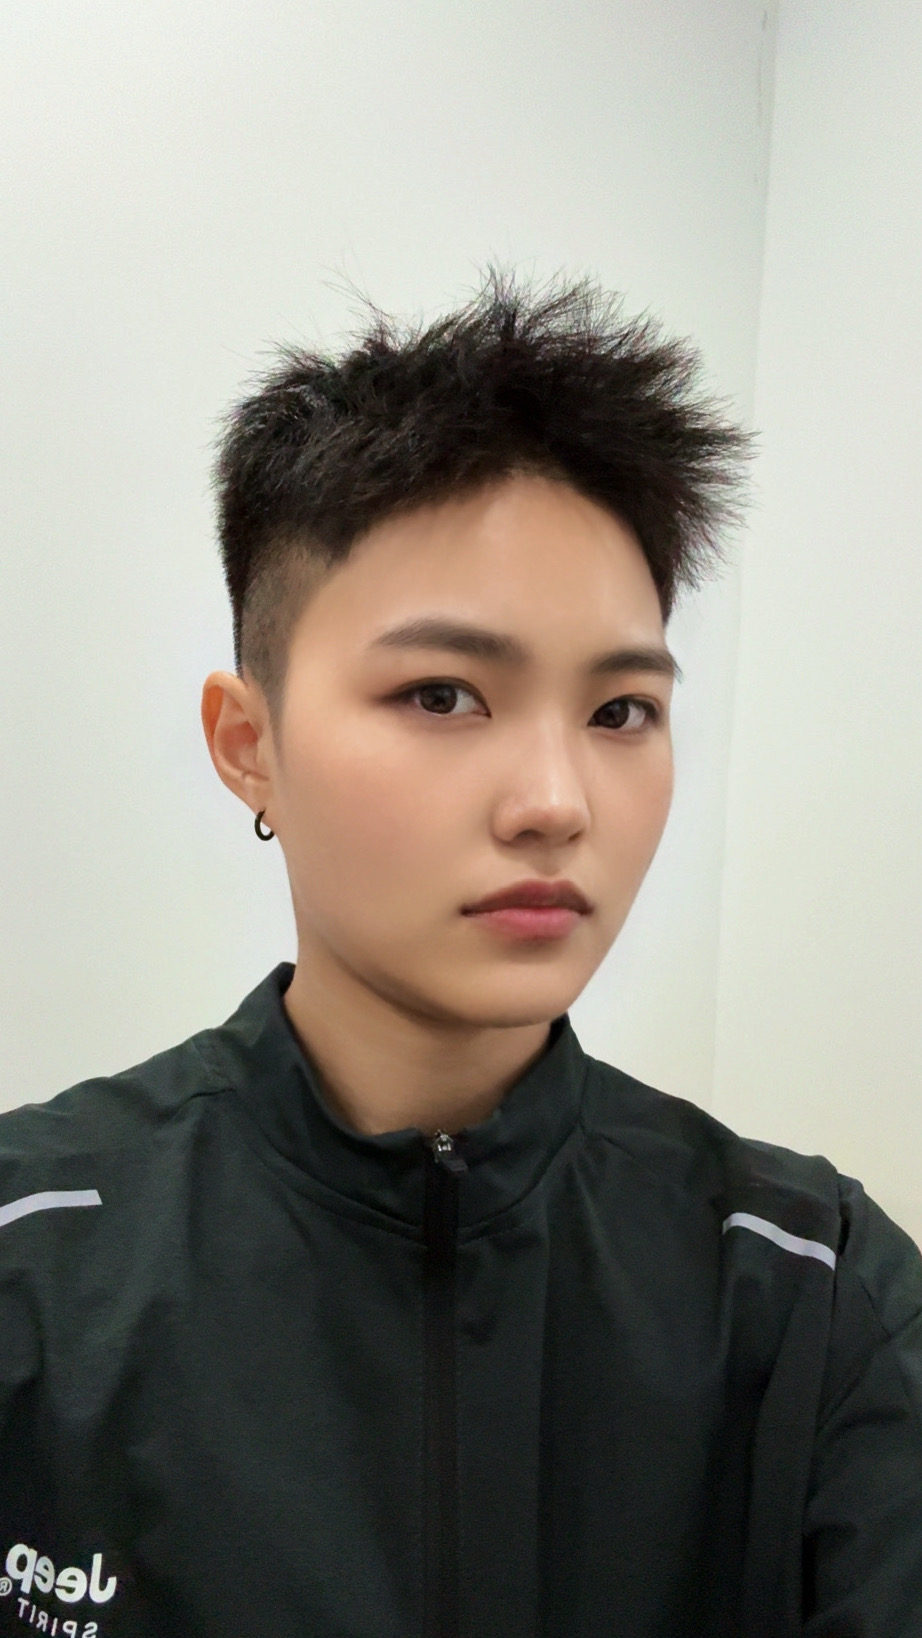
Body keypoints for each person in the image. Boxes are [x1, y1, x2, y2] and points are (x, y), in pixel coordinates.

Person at [0, 267, 919, 1638]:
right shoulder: (37, 1268)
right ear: (249, 743)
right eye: (442, 694)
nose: (555, 800)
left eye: (620, 710)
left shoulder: (811, 1290)